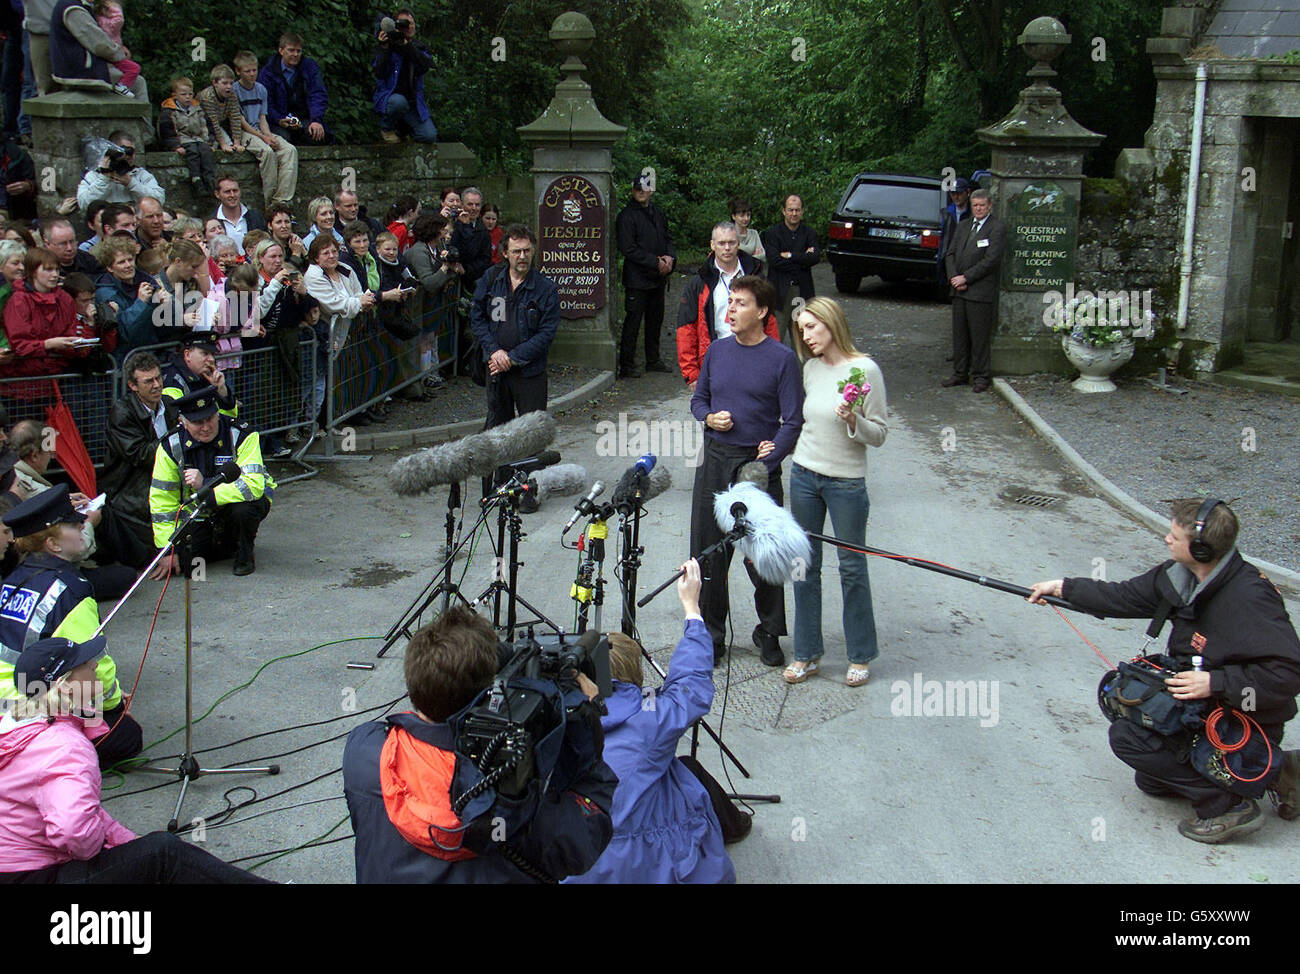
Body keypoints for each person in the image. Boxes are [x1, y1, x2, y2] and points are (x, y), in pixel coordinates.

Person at [1029, 499, 1300, 844]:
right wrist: (1063, 588)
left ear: (1201, 549)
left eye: (1174, 536)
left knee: (1128, 739)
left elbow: (1289, 673)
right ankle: (1280, 771)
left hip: (1243, 719)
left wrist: (1215, 682)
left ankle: (1230, 805)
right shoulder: (1181, 577)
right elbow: (1123, 597)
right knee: (1151, 780)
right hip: (1204, 706)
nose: (1167, 540)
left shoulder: (1249, 598)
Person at [342, 604, 617, 883]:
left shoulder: (364, 753)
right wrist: (586, 723)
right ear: (488, 697)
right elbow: (588, 833)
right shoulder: (520, 808)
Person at [0, 634, 271, 883]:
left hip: (13, 868)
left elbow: (79, 811)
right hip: (32, 876)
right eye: (84, 663)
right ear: (66, 686)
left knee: (148, 852)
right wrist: (104, 850)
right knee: (164, 852)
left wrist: (127, 843)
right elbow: (74, 831)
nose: (94, 665)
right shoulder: (65, 746)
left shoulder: (16, 721)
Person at [566, 559, 737, 884]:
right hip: (650, 862)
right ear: (634, 672)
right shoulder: (651, 717)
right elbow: (692, 684)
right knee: (685, 773)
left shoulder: (555, 720)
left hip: (579, 863)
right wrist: (692, 609)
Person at [689, 274, 803, 666]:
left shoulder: (782, 359)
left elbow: (792, 420)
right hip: (715, 461)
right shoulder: (717, 352)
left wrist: (769, 460)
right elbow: (698, 400)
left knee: (764, 556)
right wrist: (708, 418)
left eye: (740, 303)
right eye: (730, 301)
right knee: (709, 553)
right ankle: (712, 636)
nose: (730, 309)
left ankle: (769, 632)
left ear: (762, 311)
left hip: (756, 469)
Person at [784, 297, 887, 687]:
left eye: (812, 327)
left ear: (832, 324)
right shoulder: (810, 369)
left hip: (846, 482)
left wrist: (854, 421)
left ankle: (860, 654)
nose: (806, 336)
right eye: (802, 330)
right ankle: (807, 653)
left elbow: (879, 433)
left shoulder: (865, 370)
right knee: (804, 567)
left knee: (852, 567)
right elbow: (804, 422)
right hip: (805, 475)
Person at [0, 486, 142, 765]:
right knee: (127, 735)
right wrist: (115, 706)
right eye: (72, 524)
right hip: (26, 704)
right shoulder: (70, 592)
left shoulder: (15, 578)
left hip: (9, 697)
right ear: (53, 544)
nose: (82, 524)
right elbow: (96, 664)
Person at [149, 384, 273, 577]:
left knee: (243, 511)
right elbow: (162, 502)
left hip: (240, 505)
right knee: (190, 566)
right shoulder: (169, 446)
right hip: (199, 511)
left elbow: (253, 486)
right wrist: (167, 550)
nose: (206, 427)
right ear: (183, 422)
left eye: (210, 419)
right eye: (198, 422)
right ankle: (223, 543)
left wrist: (205, 485)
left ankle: (244, 552)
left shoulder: (242, 434)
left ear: (217, 414)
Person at [469, 224, 559, 432]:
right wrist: (495, 351)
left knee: (533, 433)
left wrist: (511, 358)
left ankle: (530, 467)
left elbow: (546, 334)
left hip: (530, 373)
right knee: (497, 434)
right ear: (505, 254)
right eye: (516, 251)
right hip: (496, 370)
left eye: (527, 250)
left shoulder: (546, 289)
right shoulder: (491, 280)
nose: (522, 256)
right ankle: (502, 467)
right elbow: (478, 318)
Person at [676, 220, 777, 390]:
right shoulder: (699, 282)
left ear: (738, 243)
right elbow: (686, 327)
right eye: (721, 243)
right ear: (712, 245)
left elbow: (770, 321)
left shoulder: (757, 276)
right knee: (719, 415)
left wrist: (774, 362)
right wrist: (691, 373)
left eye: (731, 242)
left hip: (755, 357)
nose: (727, 248)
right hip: (716, 360)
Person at [100, 350, 172, 573]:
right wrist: (179, 437)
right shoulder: (122, 413)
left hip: (164, 476)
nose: (157, 385)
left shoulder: (169, 404)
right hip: (130, 486)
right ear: (133, 386)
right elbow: (141, 455)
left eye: (159, 378)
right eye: (148, 381)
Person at [304, 233, 374, 422]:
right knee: (323, 380)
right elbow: (334, 304)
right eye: (325, 253)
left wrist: (362, 301)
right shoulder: (314, 276)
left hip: (347, 330)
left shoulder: (345, 269)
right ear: (316, 257)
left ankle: (346, 412)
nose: (332, 255)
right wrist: (359, 303)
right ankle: (323, 420)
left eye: (334, 251)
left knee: (345, 374)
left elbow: (358, 292)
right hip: (326, 333)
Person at [940, 188, 1005, 393]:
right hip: (959, 290)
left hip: (980, 291)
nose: (978, 209)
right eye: (975, 205)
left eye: (982, 206)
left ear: (989, 206)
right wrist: (954, 278)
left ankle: (981, 376)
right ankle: (960, 373)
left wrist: (966, 277)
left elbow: (991, 260)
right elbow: (949, 253)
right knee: (959, 335)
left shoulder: (997, 228)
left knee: (979, 337)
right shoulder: (963, 225)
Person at [615, 170, 675, 378]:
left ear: (651, 190)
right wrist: (654, 262)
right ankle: (627, 365)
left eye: (644, 188)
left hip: (658, 278)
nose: (640, 192)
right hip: (637, 279)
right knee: (633, 322)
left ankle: (653, 359)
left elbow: (668, 239)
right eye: (637, 188)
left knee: (655, 320)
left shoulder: (658, 214)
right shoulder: (626, 216)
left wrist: (670, 258)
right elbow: (628, 248)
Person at [0, 245, 88, 378]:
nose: (55, 275)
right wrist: (49, 344)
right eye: (48, 270)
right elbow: (18, 344)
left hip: (56, 375)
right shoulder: (18, 300)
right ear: (33, 271)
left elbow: (72, 330)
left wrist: (76, 344)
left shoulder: (65, 299)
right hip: (20, 378)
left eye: (57, 269)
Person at [231, 51, 298, 206]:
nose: (252, 74)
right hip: (244, 132)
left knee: (289, 150)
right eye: (247, 71)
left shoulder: (261, 89)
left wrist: (268, 136)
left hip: (260, 130)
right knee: (267, 152)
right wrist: (263, 138)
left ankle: (282, 200)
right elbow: (241, 122)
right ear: (238, 71)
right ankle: (270, 203)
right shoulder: (234, 91)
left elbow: (262, 118)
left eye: (254, 70)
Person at [47, 0, 142, 99]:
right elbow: (100, 45)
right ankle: (141, 114)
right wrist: (120, 55)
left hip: (77, 67)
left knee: (131, 79)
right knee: (138, 83)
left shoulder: (73, 4)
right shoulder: (74, 9)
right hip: (80, 71)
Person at [762, 193, 819, 347]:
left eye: (797, 210)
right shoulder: (772, 234)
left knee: (802, 339)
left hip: (802, 292)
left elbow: (815, 258)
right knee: (776, 338)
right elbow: (774, 261)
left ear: (803, 211)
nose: (794, 213)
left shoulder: (810, 233)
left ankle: (800, 371)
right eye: (790, 210)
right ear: (783, 211)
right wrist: (802, 259)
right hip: (779, 294)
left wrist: (791, 255)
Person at [373, 8, 435, 143]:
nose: (408, 27)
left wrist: (406, 46)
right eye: (403, 24)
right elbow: (379, 72)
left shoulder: (418, 47)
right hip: (391, 100)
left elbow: (425, 66)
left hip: (413, 105)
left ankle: (404, 132)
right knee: (398, 102)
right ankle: (386, 129)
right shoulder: (388, 47)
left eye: (410, 23)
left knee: (429, 135)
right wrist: (384, 48)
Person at [258, 32, 331, 145]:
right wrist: (278, 119)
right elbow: (266, 102)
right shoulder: (268, 72)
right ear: (281, 50)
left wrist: (316, 120)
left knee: (319, 134)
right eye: (291, 50)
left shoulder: (309, 67)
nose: (295, 54)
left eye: (298, 51)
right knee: (282, 140)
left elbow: (318, 95)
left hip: (303, 119)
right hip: (278, 121)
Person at [91, 234, 154, 353]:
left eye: (130, 260)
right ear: (110, 267)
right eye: (121, 262)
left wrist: (166, 304)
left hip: (153, 349)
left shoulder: (147, 281)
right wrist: (141, 302)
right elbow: (123, 333)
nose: (128, 265)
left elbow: (163, 326)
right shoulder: (105, 294)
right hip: (125, 356)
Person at [158, 75, 217, 199]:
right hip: (183, 139)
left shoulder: (198, 109)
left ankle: (210, 179)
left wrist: (210, 143)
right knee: (193, 153)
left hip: (198, 138)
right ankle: (196, 179)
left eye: (190, 94)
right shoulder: (169, 111)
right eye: (184, 94)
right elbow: (167, 132)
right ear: (175, 95)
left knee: (205, 152)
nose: (187, 97)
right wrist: (175, 145)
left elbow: (206, 127)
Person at [74, 131, 164, 211]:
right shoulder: (94, 175)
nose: (129, 156)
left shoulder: (141, 175)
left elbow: (159, 200)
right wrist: (104, 178)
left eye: (132, 152)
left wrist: (131, 183)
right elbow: (84, 205)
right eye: (125, 151)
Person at [161, 334, 237, 426]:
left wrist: (222, 391)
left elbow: (230, 420)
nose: (211, 359)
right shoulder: (173, 381)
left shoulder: (209, 377)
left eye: (212, 354)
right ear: (187, 355)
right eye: (205, 353)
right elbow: (177, 424)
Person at [212, 175, 266, 251]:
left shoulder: (256, 217)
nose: (232, 195)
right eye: (227, 192)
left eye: (235, 190)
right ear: (217, 194)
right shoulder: (213, 222)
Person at [937, 176, 971, 284]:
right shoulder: (945, 213)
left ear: (968, 193)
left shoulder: (973, 214)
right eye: (953, 193)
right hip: (949, 258)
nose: (956, 197)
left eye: (959, 193)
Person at [266, 201, 308, 271]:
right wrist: (296, 254)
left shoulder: (295, 244)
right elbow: (285, 272)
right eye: (278, 222)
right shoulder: (268, 248)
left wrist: (303, 251)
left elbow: (313, 269)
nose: (284, 226)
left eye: (287, 222)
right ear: (270, 226)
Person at [730, 196, 764, 270]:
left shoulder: (754, 234)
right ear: (733, 216)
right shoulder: (729, 235)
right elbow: (730, 258)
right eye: (742, 216)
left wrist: (741, 254)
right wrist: (753, 255)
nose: (746, 218)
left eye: (748, 215)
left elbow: (762, 256)